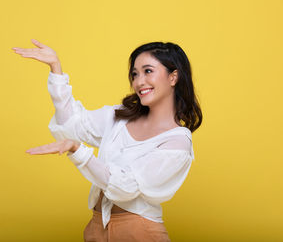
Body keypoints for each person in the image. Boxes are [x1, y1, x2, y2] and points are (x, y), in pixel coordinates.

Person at [12, 39, 202, 242]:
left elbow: (126, 187)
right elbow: (71, 125)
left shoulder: (177, 141)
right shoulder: (119, 116)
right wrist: (56, 70)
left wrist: (79, 152)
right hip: (97, 227)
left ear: (173, 77)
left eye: (148, 71)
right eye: (135, 74)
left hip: (139, 232)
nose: (139, 82)